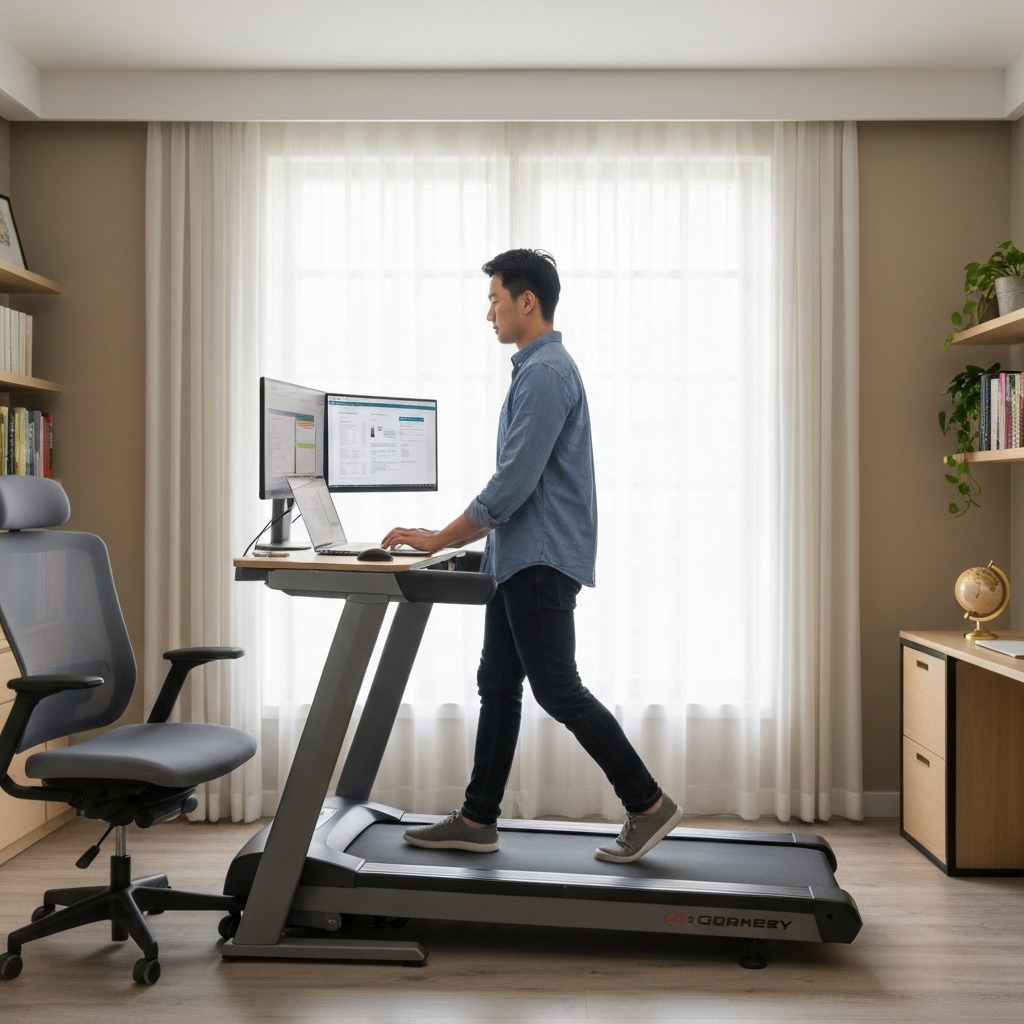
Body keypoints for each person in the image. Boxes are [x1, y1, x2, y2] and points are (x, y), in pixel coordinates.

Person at [381, 248, 681, 864]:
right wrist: (470, 548)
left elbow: (515, 482)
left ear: (527, 302)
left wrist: (440, 538)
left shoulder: (546, 373)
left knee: (557, 688)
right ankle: (476, 819)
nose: (488, 313)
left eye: (495, 300)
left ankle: (648, 803)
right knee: (499, 683)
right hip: (516, 557)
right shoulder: (532, 370)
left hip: (539, 559)